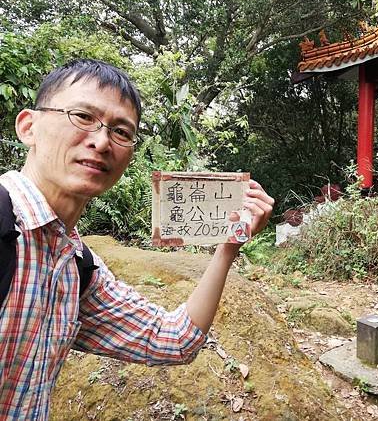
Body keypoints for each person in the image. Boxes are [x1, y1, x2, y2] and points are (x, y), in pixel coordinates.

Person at [0, 59, 274, 420]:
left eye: (121, 132)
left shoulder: (75, 266)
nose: (100, 142)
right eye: (82, 116)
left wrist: (227, 248)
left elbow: (172, 339)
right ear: (29, 126)